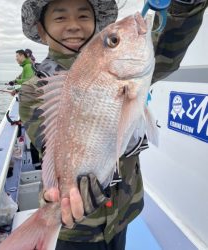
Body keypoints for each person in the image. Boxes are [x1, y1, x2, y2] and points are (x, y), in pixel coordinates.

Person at [18, 0, 208, 249]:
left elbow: (168, 53)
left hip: (122, 212)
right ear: (41, 29)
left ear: (97, 23)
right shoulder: (36, 90)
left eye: (84, 16)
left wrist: (185, 5)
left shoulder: (130, 70)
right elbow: (51, 148)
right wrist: (57, 199)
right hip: (77, 226)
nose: (74, 26)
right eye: (61, 18)